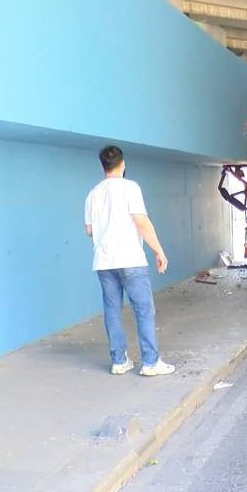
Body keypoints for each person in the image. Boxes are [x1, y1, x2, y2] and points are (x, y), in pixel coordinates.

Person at [84, 145, 175, 376]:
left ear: (102, 165)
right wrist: (159, 251)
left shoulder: (93, 193)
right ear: (123, 165)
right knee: (143, 310)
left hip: (104, 262)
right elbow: (142, 223)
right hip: (131, 259)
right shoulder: (130, 188)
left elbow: (89, 230)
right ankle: (150, 362)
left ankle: (119, 361)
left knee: (112, 311)